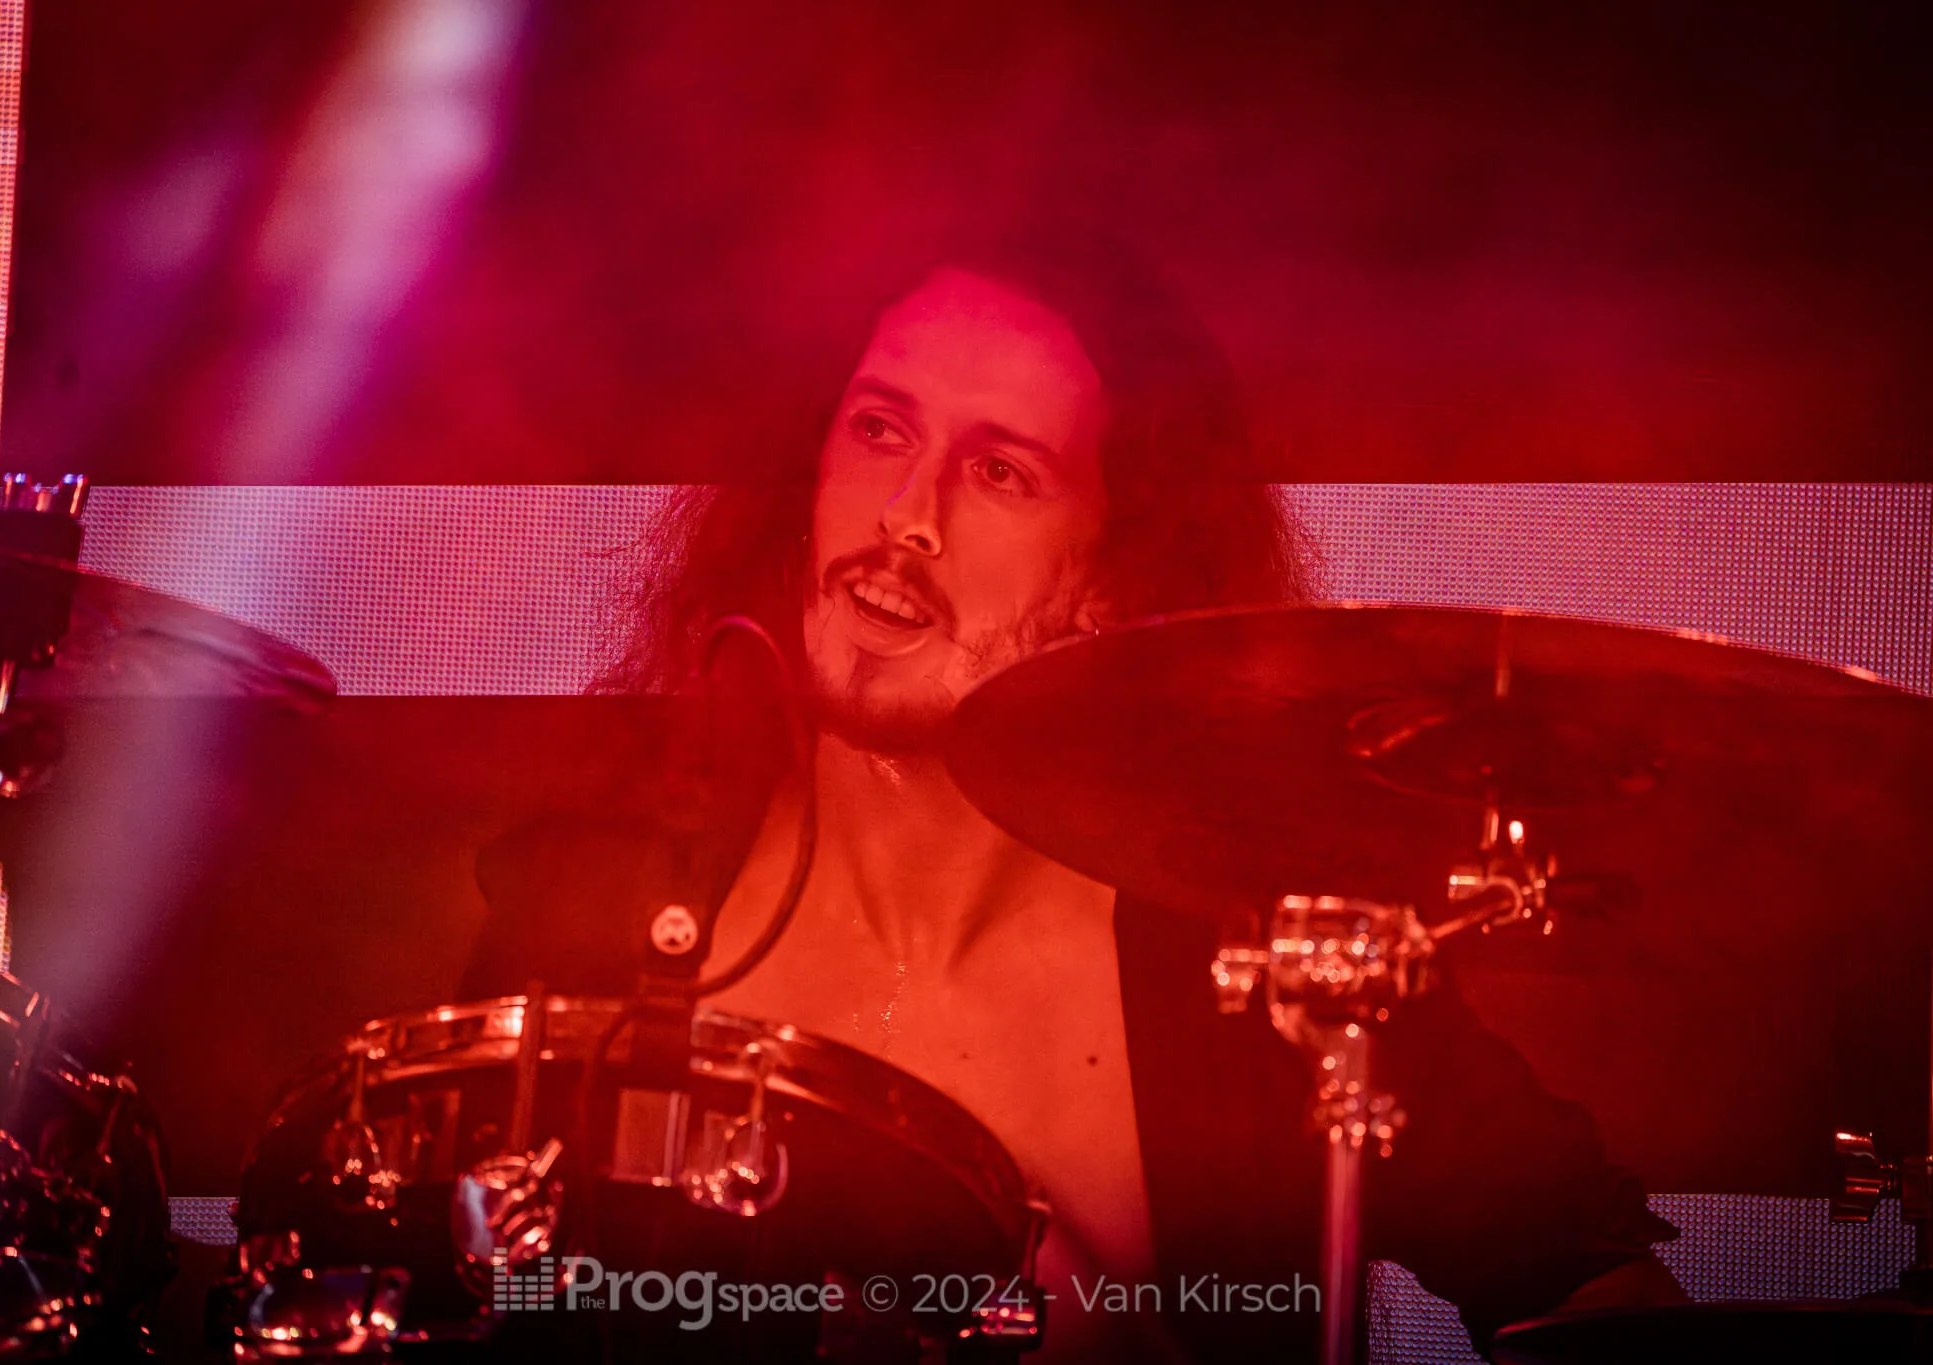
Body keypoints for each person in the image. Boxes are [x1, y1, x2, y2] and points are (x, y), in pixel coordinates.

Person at [466, 229, 1679, 1361]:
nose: (905, 519)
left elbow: (1598, 1289)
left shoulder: (1275, 972)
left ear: (1114, 581)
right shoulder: (587, 917)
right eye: (880, 429)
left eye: (999, 471)